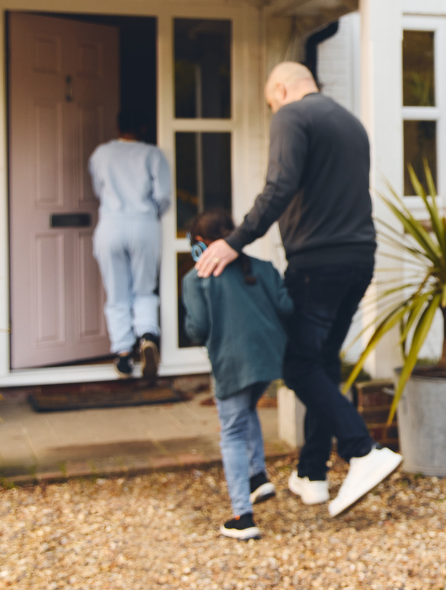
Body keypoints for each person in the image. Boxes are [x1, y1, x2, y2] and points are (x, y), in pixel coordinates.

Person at [193, 62, 403, 518]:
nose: (274, 111)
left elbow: (279, 186)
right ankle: (311, 474)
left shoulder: (291, 115)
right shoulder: (350, 123)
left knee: (298, 364)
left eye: (271, 102)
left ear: (282, 89)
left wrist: (233, 242)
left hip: (318, 263)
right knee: (324, 363)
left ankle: (364, 452)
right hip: (359, 257)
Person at [183, 208, 292, 540]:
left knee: (231, 433)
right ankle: (258, 476)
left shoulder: (196, 278)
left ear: (201, 244)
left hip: (231, 363)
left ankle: (242, 516)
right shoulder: (262, 268)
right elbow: (287, 309)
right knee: (247, 411)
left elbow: (198, 330)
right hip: (268, 361)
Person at [90, 109, 171, 379]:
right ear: (144, 128)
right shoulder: (153, 154)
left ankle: (123, 354)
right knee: (144, 288)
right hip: (144, 223)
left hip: (111, 224)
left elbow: (98, 189)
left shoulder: (101, 154)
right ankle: (147, 336)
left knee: (117, 292)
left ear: (117, 126)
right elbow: (163, 196)